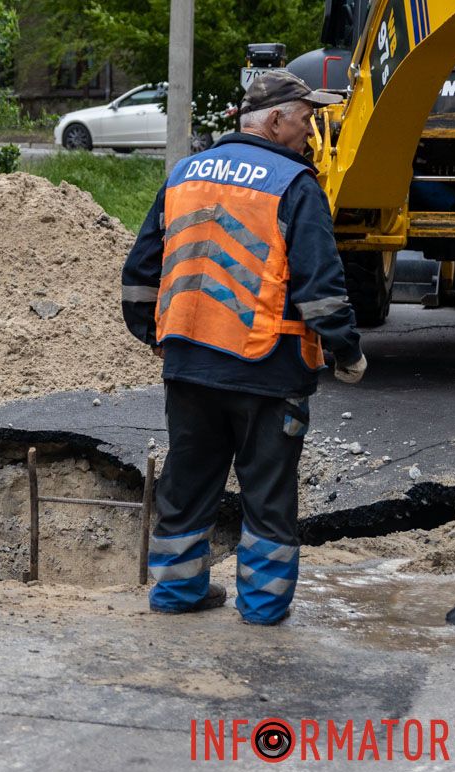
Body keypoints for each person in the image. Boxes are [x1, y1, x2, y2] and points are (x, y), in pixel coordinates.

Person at [120, 70, 366, 625]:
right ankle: (261, 609)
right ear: (275, 121)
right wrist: (346, 351)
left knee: (186, 485)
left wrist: (156, 336)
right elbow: (320, 287)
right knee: (268, 497)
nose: (310, 133)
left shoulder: (185, 175)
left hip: (188, 365)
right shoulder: (295, 185)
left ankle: (177, 595)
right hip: (268, 370)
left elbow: (139, 274)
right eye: (306, 120)